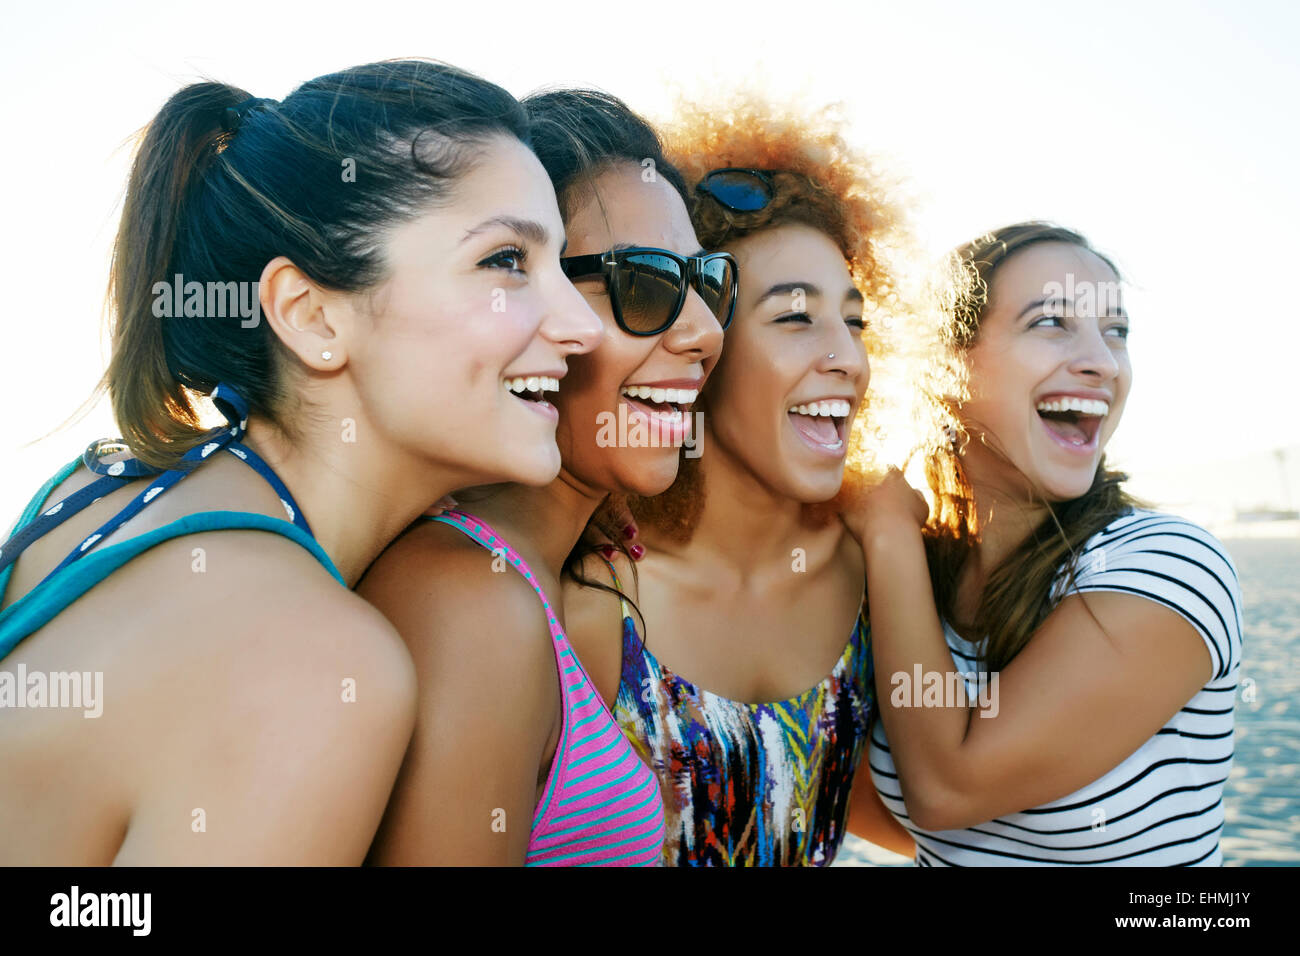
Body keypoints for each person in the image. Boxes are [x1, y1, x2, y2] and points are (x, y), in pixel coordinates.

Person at [0, 59, 600, 864]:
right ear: (310, 313)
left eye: (561, 263)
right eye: (504, 263)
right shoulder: (317, 671)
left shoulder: (104, 488)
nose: (579, 325)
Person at [359, 89, 729, 865]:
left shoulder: (537, 579)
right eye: (646, 283)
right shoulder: (467, 601)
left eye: (708, 282)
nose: (704, 331)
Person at [564, 94, 932, 865]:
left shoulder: (882, 573)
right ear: (701, 343)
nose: (848, 358)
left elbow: (934, 811)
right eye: (795, 317)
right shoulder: (593, 598)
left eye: (855, 321)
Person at [856, 222, 1243, 865]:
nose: (1102, 361)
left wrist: (888, 531)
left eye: (1116, 332)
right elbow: (858, 798)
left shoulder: (1169, 566)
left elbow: (948, 790)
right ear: (945, 366)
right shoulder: (913, 572)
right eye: (1051, 323)